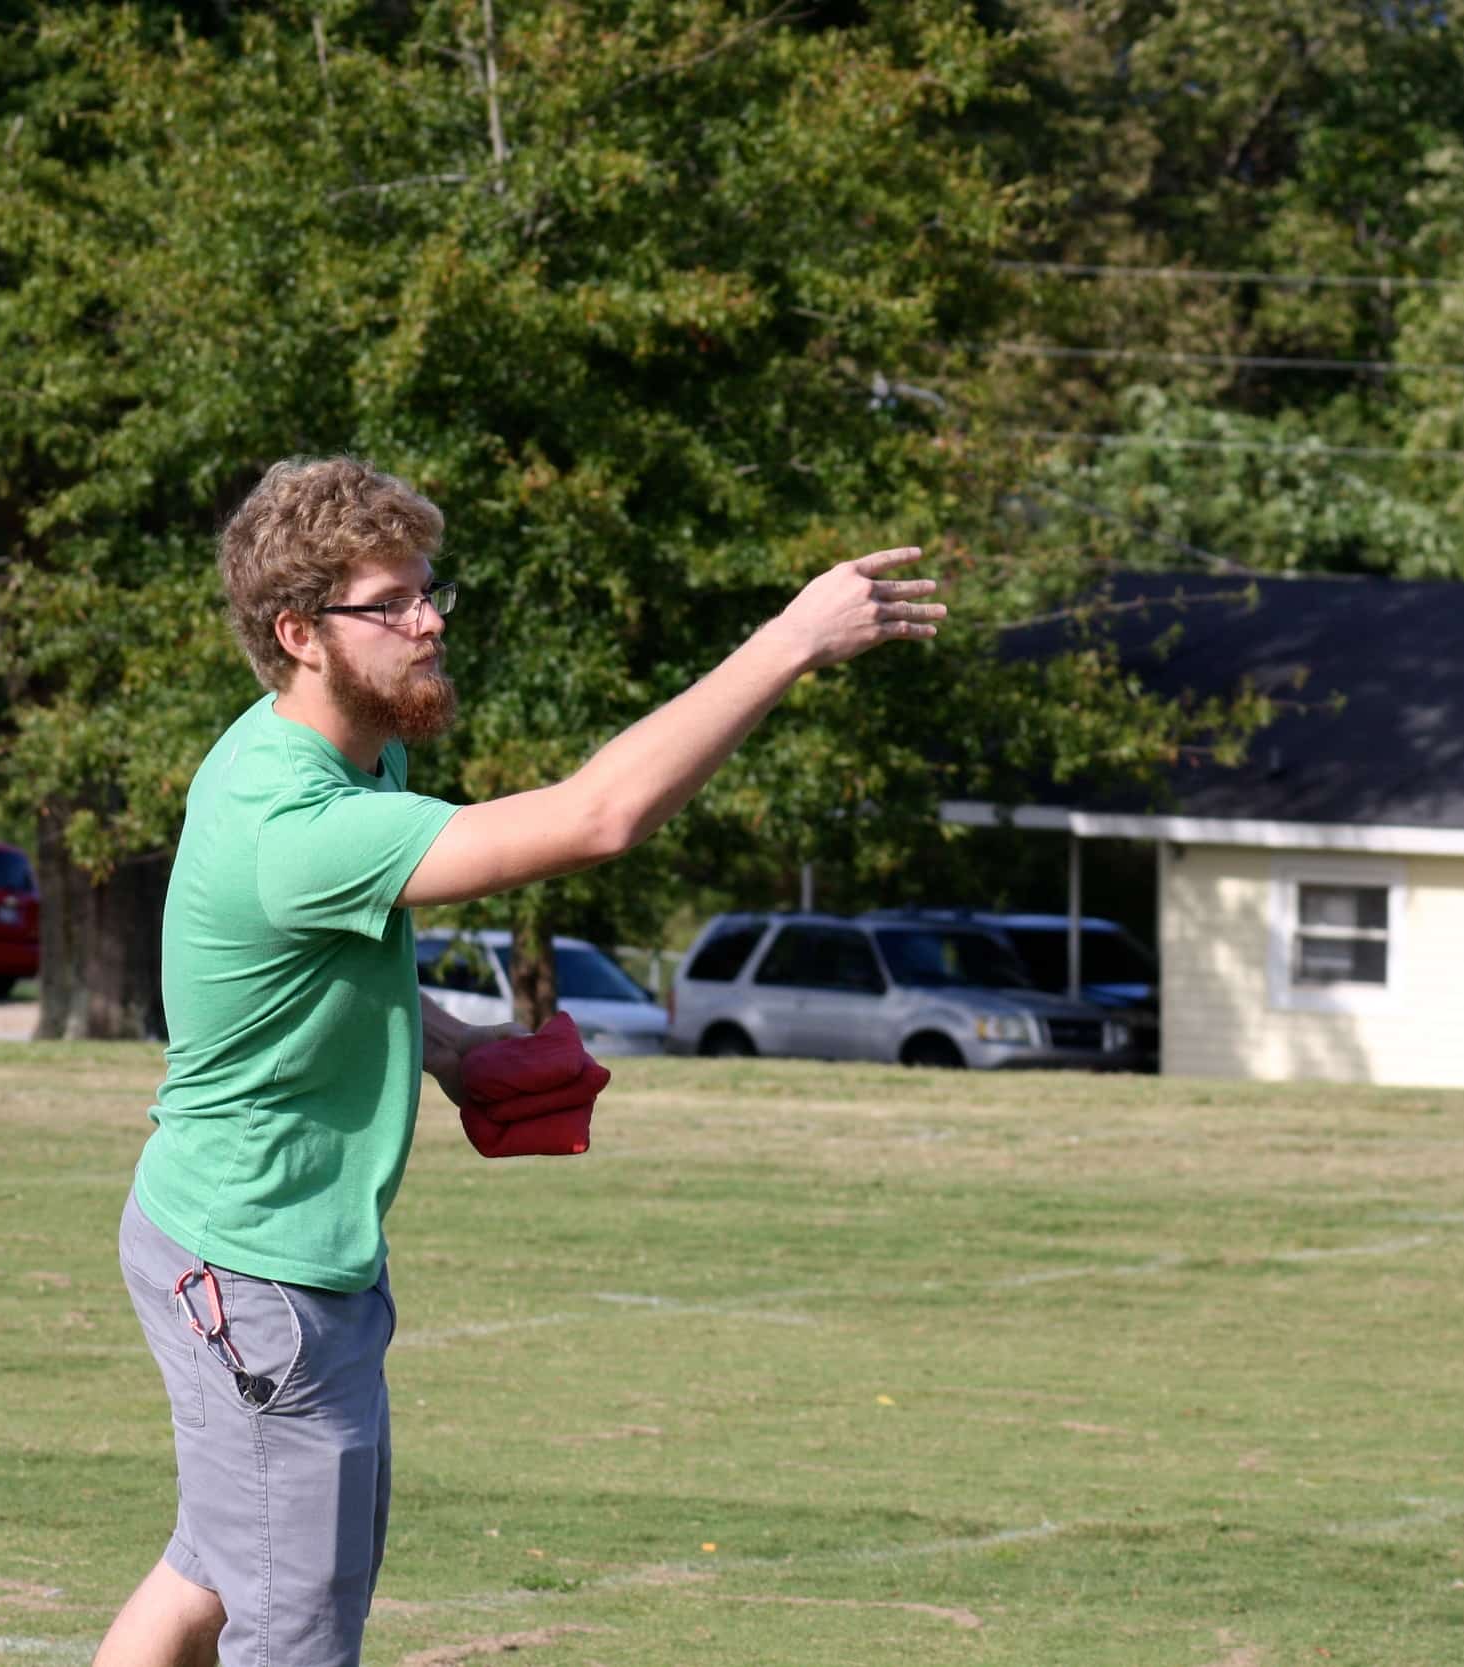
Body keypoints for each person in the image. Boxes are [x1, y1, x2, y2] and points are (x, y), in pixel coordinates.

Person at [93, 455, 944, 1667]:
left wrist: (449, 1049)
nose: (428, 618)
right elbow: (600, 817)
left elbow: (312, 974)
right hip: (258, 1274)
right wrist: (787, 642)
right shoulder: (293, 818)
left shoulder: (348, 749)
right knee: (292, 1620)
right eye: (388, 604)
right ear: (298, 633)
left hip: (243, 1247)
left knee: (212, 1566)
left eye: (428, 589)